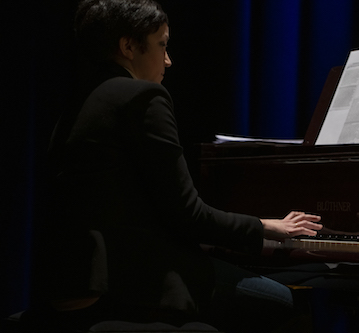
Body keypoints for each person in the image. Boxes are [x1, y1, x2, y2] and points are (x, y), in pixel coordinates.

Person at [25, 1, 322, 332]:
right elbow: (188, 214)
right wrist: (264, 227)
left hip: (70, 282)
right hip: (126, 283)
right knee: (285, 305)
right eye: (162, 44)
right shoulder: (143, 96)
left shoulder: (81, 101)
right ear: (127, 46)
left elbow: (135, 207)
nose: (168, 60)